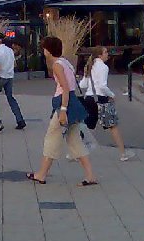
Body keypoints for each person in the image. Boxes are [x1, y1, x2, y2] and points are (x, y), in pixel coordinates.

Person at [26, 36, 98, 187]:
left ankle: (41, 174)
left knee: (52, 138)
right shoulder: (66, 62)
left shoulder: (57, 66)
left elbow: (65, 88)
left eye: (44, 48)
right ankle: (90, 175)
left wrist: (63, 110)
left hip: (64, 104)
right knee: (74, 140)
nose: (43, 51)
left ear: (49, 49)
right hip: (73, 102)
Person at [79, 46, 131, 160]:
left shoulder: (89, 66)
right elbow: (102, 86)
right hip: (101, 98)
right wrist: (112, 95)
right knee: (112, 125)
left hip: (89, 97)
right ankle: (123, 153)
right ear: (100, 55)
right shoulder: (103, 67)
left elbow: (83, 84)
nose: (107, 54)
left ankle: (75, 151)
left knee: (86, 126)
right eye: (105, 52)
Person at [0, 33, 26, 133]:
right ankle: (20, 119)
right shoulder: (10, 50)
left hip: (0, 76)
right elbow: (14, 64)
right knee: (10, 98)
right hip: (9, 76)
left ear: (0, 40)